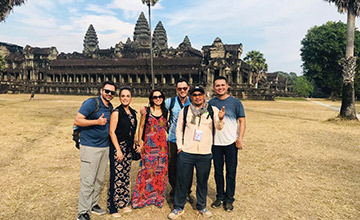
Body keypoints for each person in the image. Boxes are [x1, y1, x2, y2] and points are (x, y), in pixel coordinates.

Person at [168, 86, 225, 219]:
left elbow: (219, 127)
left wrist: (221, 118)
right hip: (187, 151)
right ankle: (178, 207)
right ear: (191, 96)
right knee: (182, 180)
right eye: (194, 95)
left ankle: (201, 206)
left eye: (200, 94)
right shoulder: (185, 110)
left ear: (204, 96)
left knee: (202, 181)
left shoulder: (213, 110)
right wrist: (180, 147)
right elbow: (179, 130)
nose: (197, 97)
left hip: (204, 152)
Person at [74, 81, 116, 220]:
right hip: (90, 146)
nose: (109, 94)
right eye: (107, 91)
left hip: (104, 147)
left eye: (112, 93)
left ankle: (93, 204)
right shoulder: (92, 103)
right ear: (101, 91)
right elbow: (78, 120)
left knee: (99, 179)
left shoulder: (110, 107)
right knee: (88, 180)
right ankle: (83, 212)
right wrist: (96, 122)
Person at [209, 76, 246, 212]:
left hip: (231, 142)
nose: (220, 88)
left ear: (227, 86)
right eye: (217, 85)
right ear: (214, 88)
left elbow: (242, 121)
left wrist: (239, 138)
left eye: (222, 85)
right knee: (218, 171)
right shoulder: (211, 103)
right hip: (215, 143)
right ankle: (220, 196)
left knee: (231, 171)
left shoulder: (236, 103)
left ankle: (229, 198)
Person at [132, 90, 168, 208]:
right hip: (149, 146)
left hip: (162, 147)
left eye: (160, 96)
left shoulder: (165, 111)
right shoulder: (146, 111)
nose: (158, 99)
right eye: (155, 97)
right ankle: (142, 198)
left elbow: (165, 127)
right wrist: (139, 142)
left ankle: (157, 198)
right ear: (151, 99)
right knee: (146, 172)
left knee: (160, 173)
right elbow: (141, 127)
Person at [107, 86, 138, 218]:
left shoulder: (133, 112)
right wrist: (118, 150)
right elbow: (112, 132)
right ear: (120, 98)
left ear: (131, 98)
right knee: (116, 176)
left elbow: (133, 131)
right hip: (118, 148)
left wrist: (136, 143)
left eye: (128, 96)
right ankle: (113, 207)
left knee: (125, 176)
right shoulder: (116, 112)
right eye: (123, 96)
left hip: (129, 148)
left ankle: (123, 203)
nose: (125, 98)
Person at [164, 78, 193, 203]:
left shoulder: (194, 101)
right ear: (176, 90)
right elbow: (158, 111)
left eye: (184, 88)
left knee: (188, 167)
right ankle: (175, 190)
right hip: (173, 139)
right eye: (180, 88)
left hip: (189, 140)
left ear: (188, 89)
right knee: (173, 166)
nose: (182, 91)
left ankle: (186, 191)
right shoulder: (169, 102)